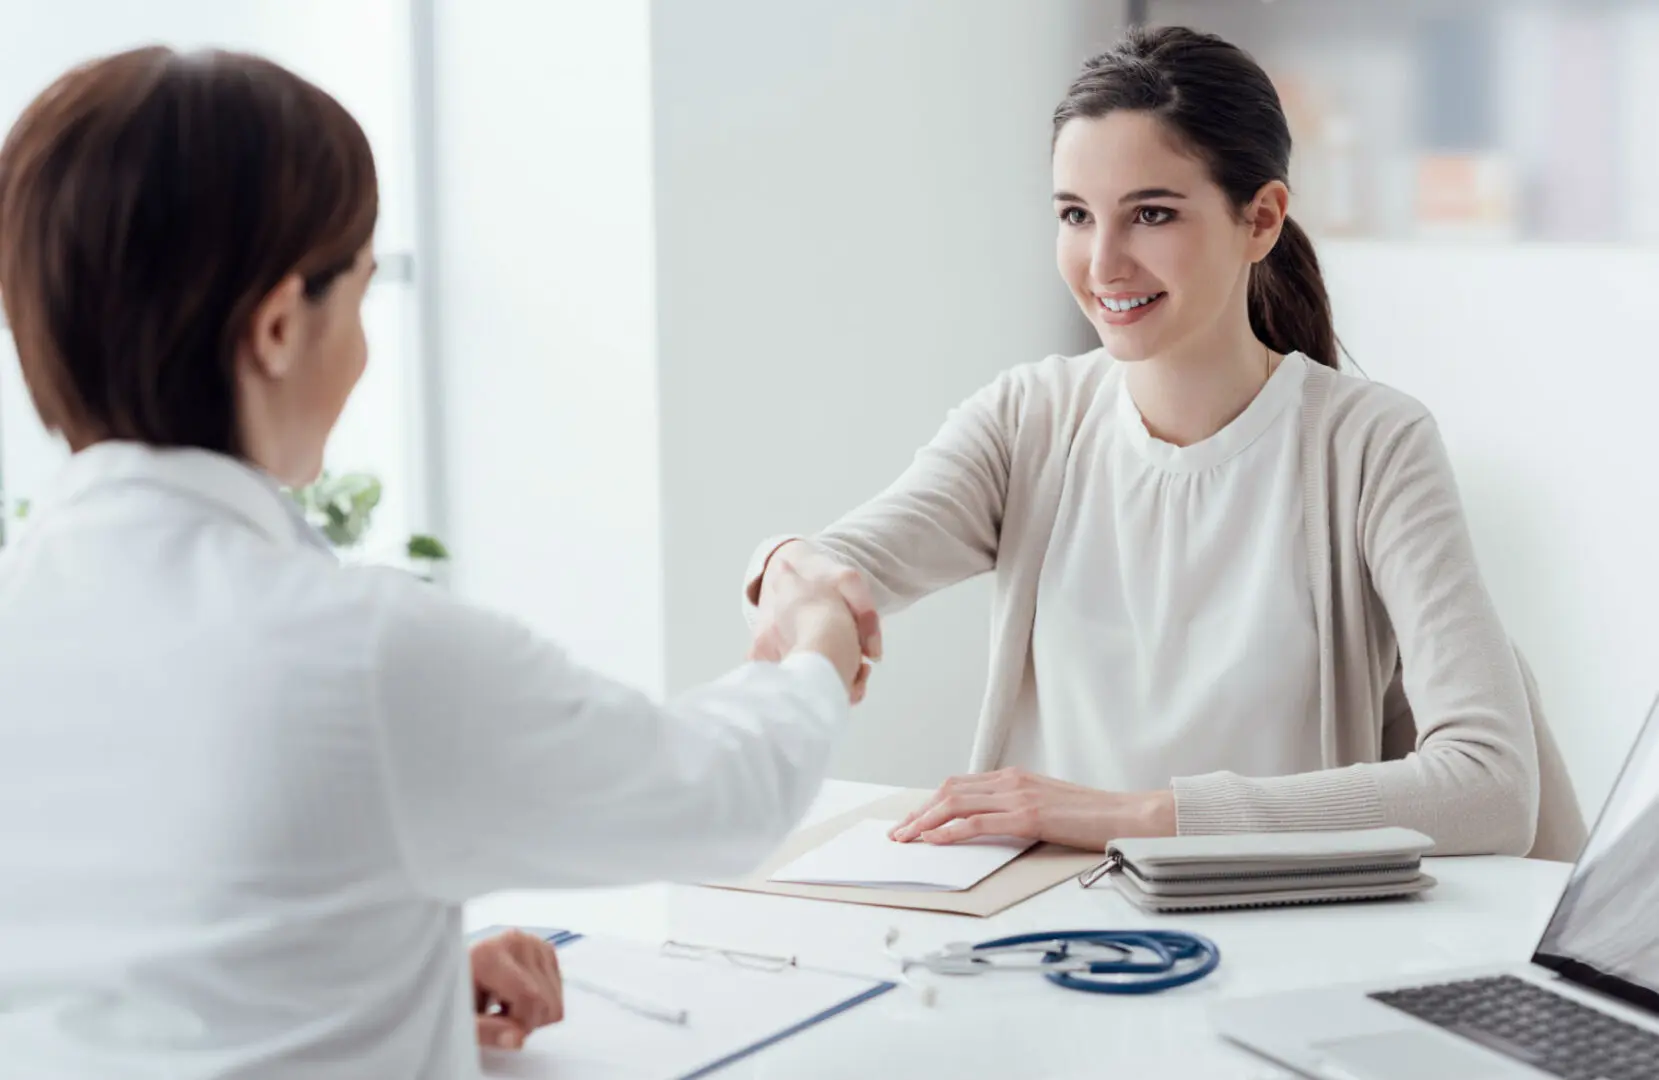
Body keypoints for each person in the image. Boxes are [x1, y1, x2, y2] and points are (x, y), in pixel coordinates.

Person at [0, 48, 865, 1078]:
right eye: (359, 293)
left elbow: (108, 960)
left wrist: (372, 969)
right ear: (278, 326)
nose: (363, 350)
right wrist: (817, 640)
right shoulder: (356, 653)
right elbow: (724, 797)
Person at [747, 25, 1585, 861]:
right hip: (1054, 940)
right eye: (1075, 215)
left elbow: (1488, 790)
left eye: (1150, 214)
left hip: (1289, 946)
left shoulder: (1370, 446)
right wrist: (792, 570)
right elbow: (842, 565)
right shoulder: (1028, 420)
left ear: (1259, 220)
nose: (1102, 263)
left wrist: (1131, 817)